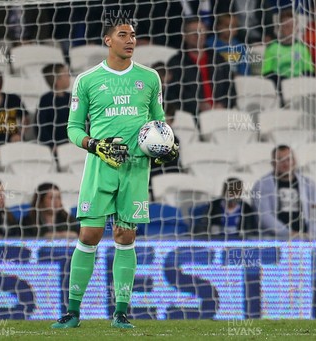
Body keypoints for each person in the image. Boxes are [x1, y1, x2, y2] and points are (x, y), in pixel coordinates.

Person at [51, 18, 178, 329]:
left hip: (135, 168)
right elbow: (72, 128)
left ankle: (121, 311)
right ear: (108, 40)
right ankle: (72, 311)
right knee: (89, 234)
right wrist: (94, 145)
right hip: (101, 166)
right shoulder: (87, 79)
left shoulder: (149, 78)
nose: (129, 40)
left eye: (132, 35)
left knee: (125, 235)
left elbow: (158, 123)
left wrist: (167, 146)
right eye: (122, 35)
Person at [252, 145, 316, 239]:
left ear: (294, 161)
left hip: (306, 239)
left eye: (288, 159)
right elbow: (264, 216)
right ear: (273, 163)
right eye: (280, 160)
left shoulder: (309, 185)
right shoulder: (262, 185)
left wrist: (312, 233)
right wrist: (288, 234)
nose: (285, 164)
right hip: (275, 240)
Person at [166, 18, 231, 120]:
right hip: (192, 117)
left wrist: (223, 104)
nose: (198, 36)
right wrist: (198, 105)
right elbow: (172, 94)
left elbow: (231, 88)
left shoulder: (218, 59)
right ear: (184, 36)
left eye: (201, 32)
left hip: (221, 114)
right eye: (194, 33)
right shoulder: (176, 63)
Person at [193, 177, 257, 240]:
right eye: (231, 192)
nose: (234, 196)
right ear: (224, 192)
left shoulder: (246, 209)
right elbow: (200, 230)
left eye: (237, 192)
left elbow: (250, 233)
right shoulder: (212, 207)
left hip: (237, 246)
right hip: (215, 245)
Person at [262, 10, 314, 81]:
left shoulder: (302, 48)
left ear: (297, 28)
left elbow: (309, 71)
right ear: (279, 28)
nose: (289, 29)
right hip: (278, 85)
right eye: (285, 26)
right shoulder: (272, 48)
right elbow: (267, 72)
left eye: (291, 26)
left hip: (299, 84)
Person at [35, 63, 72, 153]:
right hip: (56, 147)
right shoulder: (46, 100)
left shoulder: (72, 97)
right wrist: (50, 145)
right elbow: (40, 125)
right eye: (66, 74)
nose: (69, 76)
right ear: (57, 81)